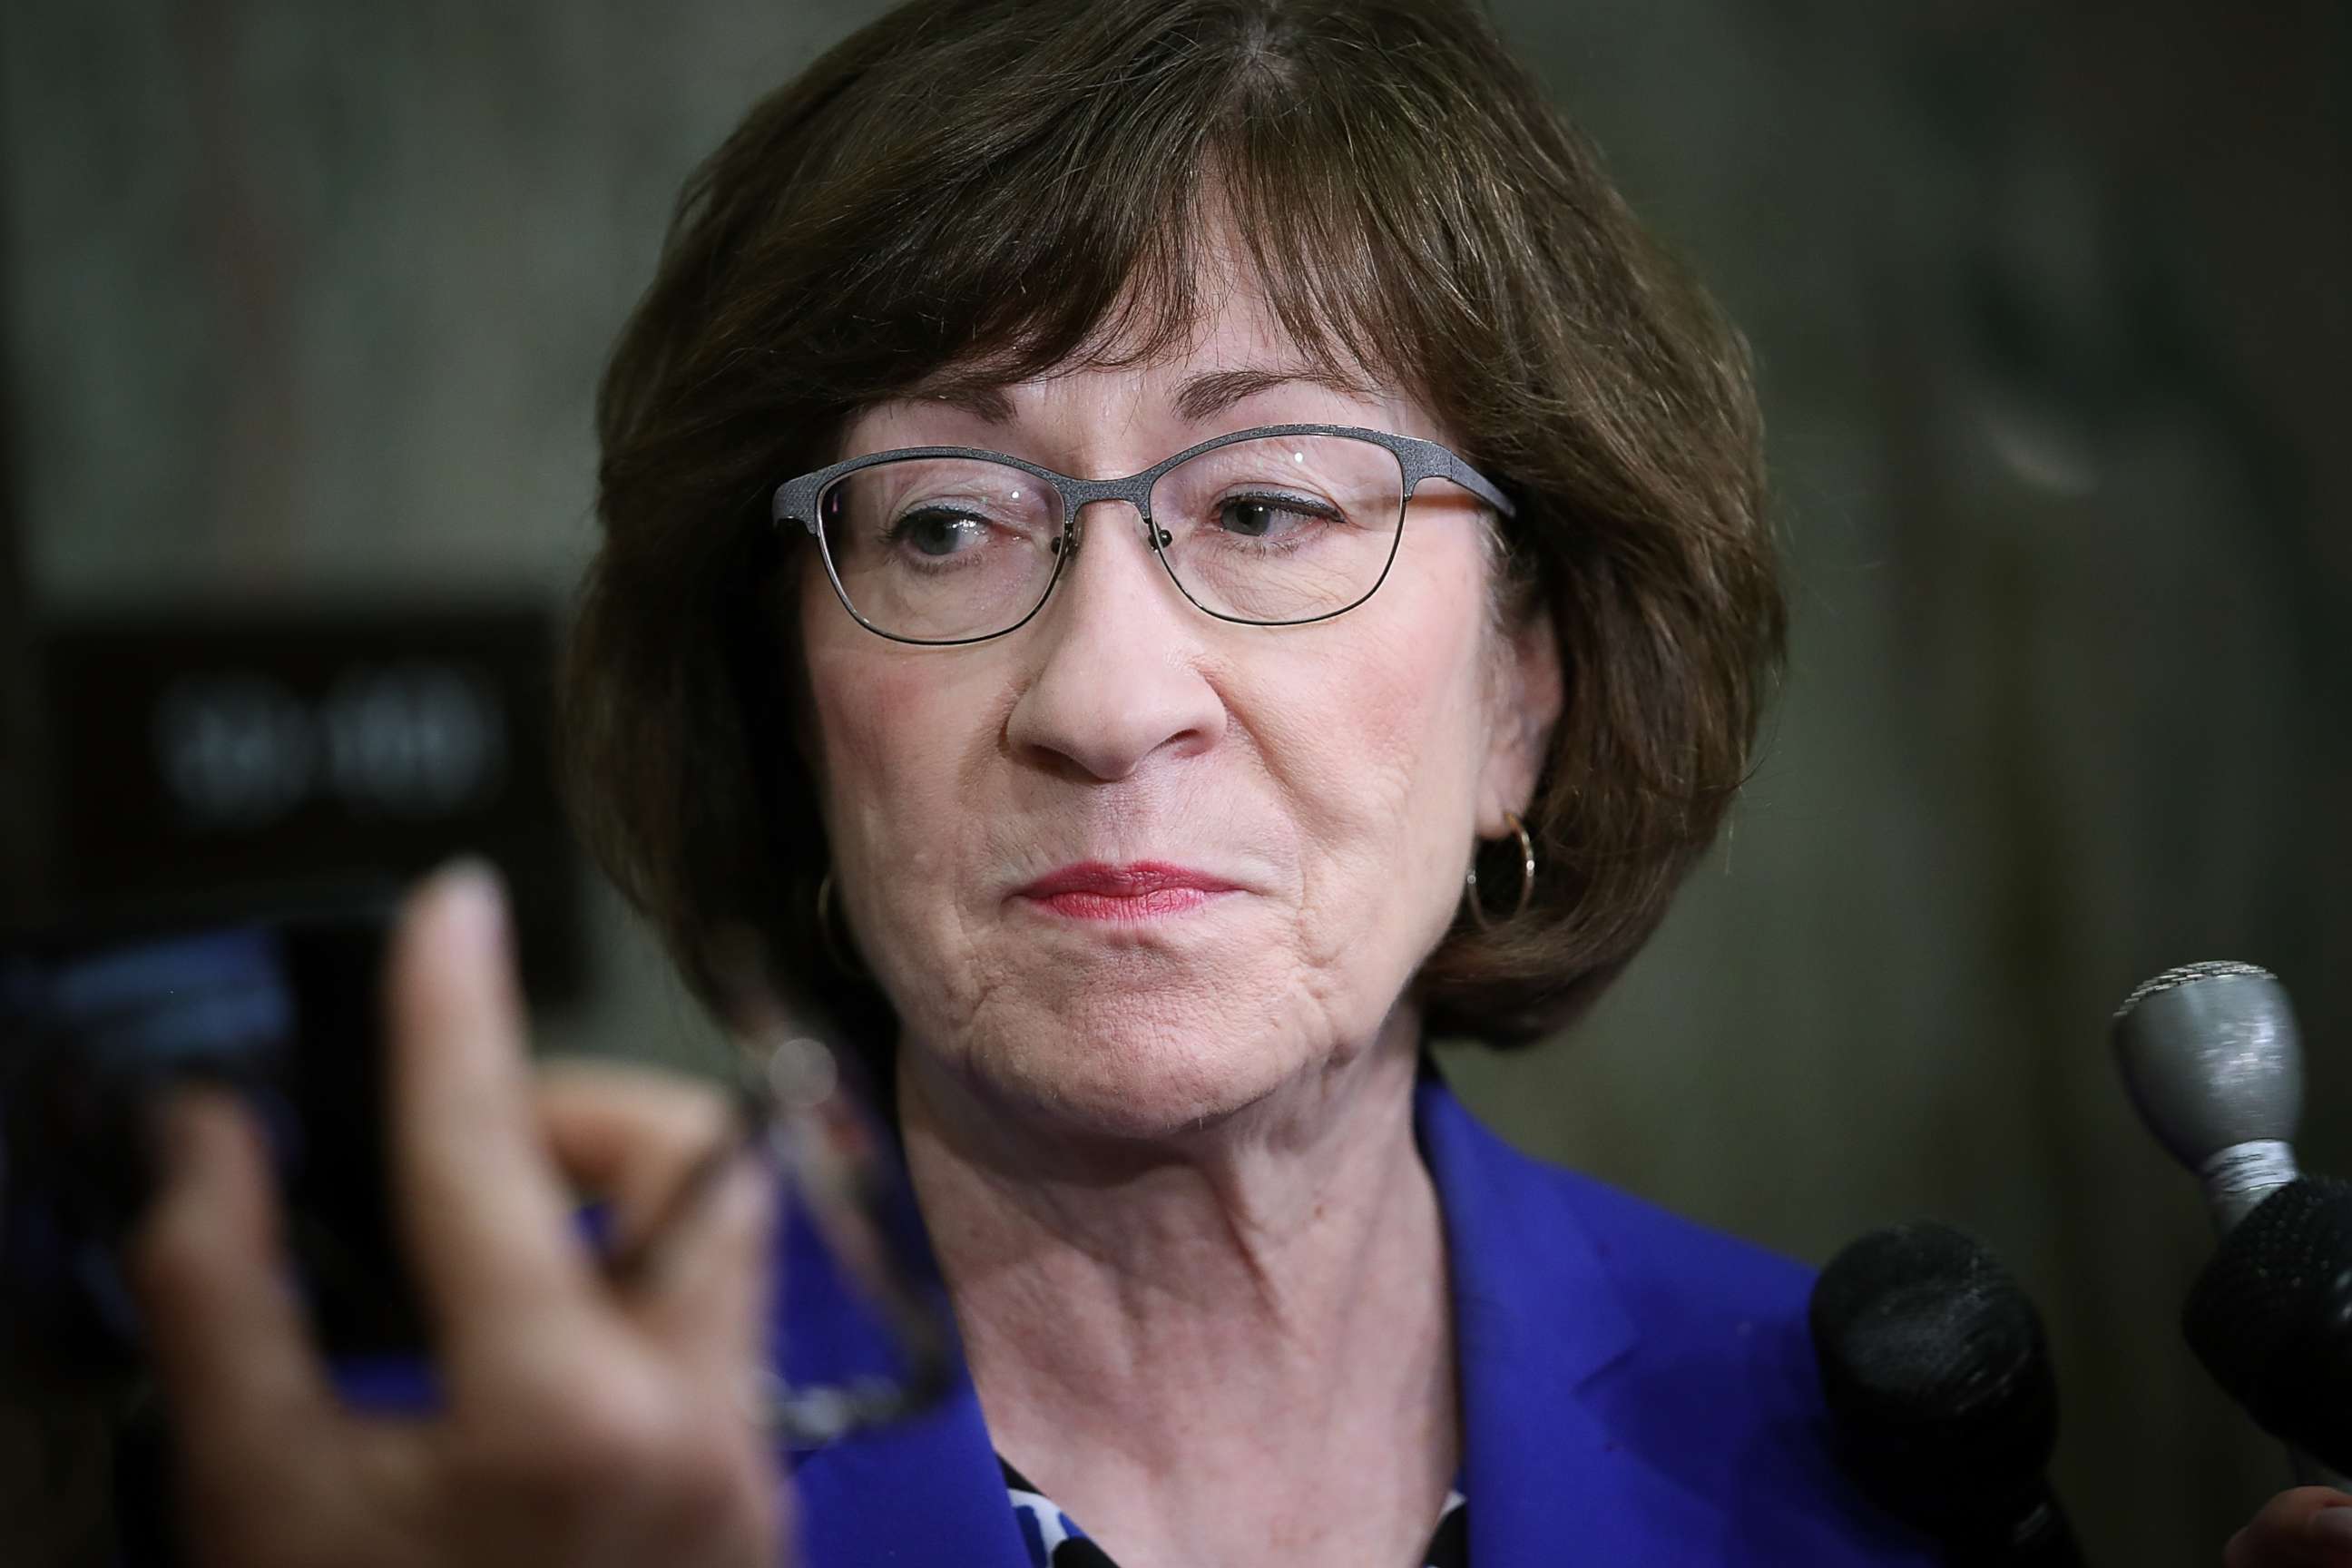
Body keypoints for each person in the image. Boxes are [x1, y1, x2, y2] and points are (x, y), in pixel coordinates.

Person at [121, 1, 2346, 1563]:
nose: (1107, 698)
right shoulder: (413, 1491)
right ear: (791, 699)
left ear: (1525, 692)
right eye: (943, 526)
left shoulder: (1861, 1466)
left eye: (1270, 509)